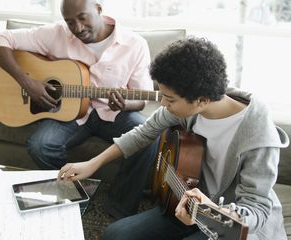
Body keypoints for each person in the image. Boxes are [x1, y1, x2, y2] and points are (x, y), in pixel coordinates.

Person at [58, 37, 290, 240]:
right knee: (115, 235)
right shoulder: (192, 106)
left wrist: (212, 211)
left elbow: (257, 209)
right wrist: (92, 163)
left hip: (229, 223)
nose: (163, 104)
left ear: (201, 100)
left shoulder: (259, 136)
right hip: (184, 203)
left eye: (169, 99)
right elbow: (143, 133)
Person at [0, 0, 159, 218]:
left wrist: (126, 103)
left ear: (98, 9)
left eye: (82, 18)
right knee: (40, 145)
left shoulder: (135, 44)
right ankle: (74, 194)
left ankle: (119, 207)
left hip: (113, 114)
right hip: (72, 115)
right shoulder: (55, 34)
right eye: (70, 22)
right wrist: (27, 82)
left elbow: (142, 98)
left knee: (148, 135)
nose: (77, 28)